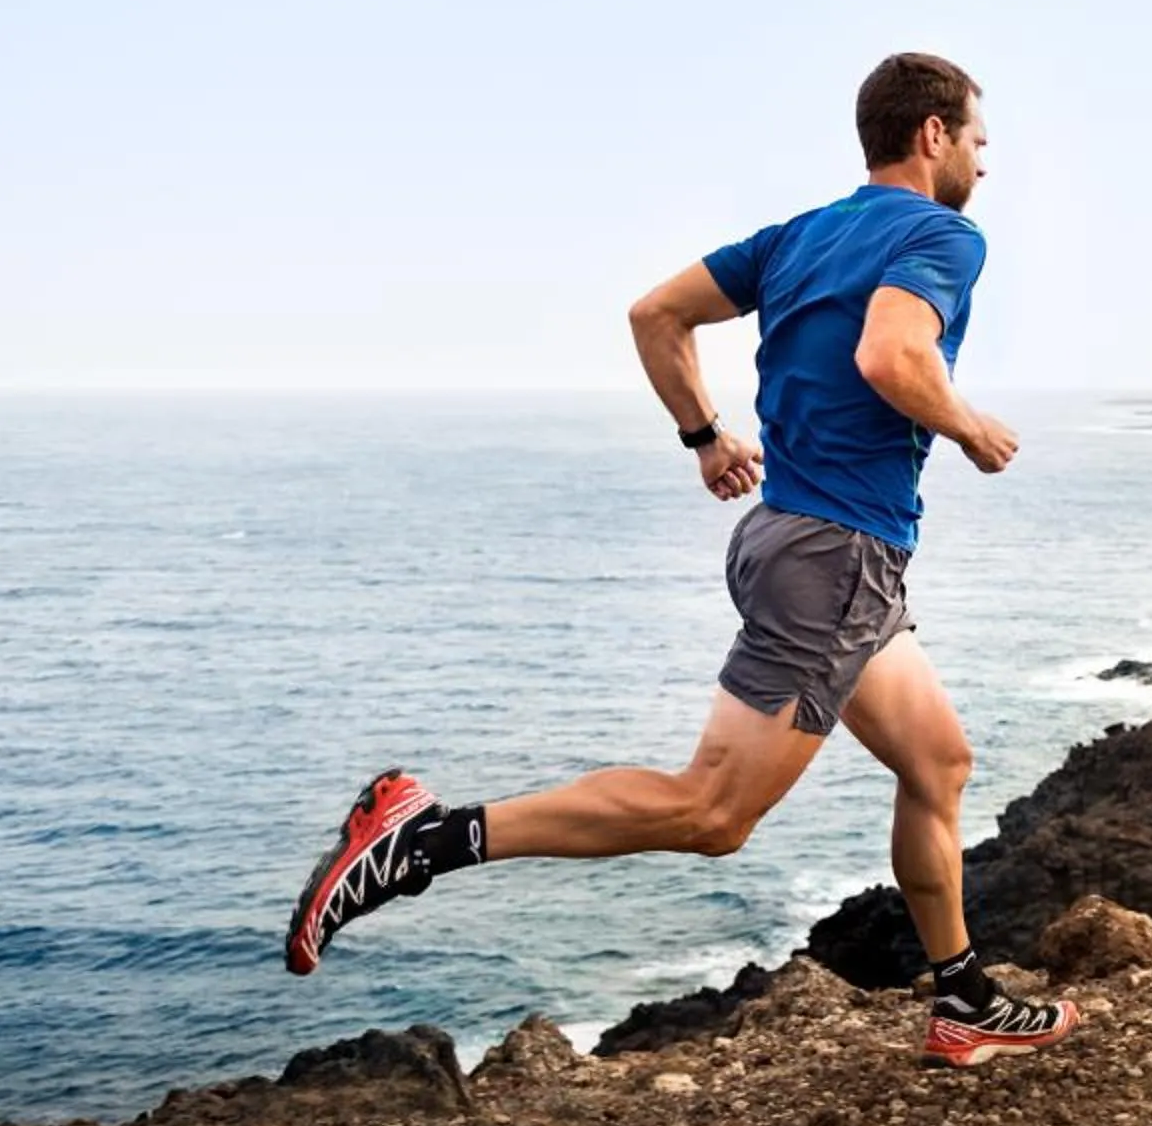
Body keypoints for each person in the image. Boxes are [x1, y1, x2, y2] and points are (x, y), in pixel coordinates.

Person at [283, 52, 1079, 1067]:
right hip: (833, 558)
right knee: (712, 812)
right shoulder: (942, 235)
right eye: (977, 138)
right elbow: (891, 355)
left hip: (798, 541)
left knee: (938, 761)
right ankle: (422, 838)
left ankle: (963, 999)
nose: (983, 161)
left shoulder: (798, 236)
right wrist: (969, 426)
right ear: (933, 134)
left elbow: (655, 313)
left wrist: (706, 437)